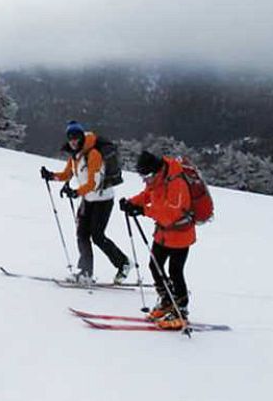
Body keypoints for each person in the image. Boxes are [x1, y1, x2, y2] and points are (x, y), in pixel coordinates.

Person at [40, 121, 131, 286]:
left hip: (103, 200)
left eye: (76, 137)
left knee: (97, 236)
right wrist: (51, 176)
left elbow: (93, 184)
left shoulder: (93, 154)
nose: (73, 141)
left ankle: (123, 263)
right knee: (82, 234)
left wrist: (76, 192)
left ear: (82, 137)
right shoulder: (75, 156)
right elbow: (67, 174)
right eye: (70, 138)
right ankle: (85, 272)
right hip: (88, 200)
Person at [119, 151, 196, 330]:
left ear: (155, 171)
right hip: (163, 233)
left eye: (146, 176)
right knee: (155, 266)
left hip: (180, 234)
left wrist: (143, 211)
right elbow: (148, 194)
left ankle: (181, 309)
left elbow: (171, 213)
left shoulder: (176, 182)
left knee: (175, 271)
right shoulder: (157, 179)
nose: (145, 180)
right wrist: (132, 202)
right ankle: (167, 301)